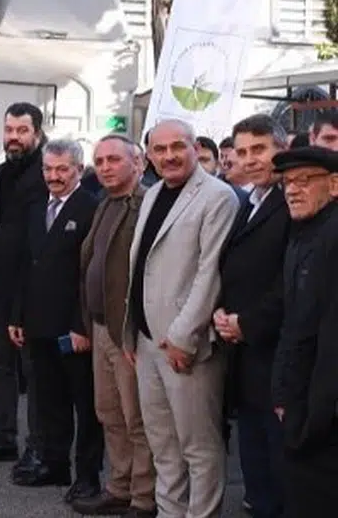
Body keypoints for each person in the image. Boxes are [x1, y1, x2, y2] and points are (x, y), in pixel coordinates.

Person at [124, 119, 239, 518]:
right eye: (160, 149)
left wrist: (183, 337)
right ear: (149, 155)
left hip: (186, 345)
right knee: (163, 446)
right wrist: (132, 333)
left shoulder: (218, 197)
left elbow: (210, 273)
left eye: (178, 147)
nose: (169, 156)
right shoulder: (154, 193)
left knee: (199, 448)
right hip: (147, 341)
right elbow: (141, 266)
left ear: (195, 148)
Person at [8, 140, 102, 501]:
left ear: (78, 169)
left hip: (72, 328)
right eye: (48, 169)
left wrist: (81, 325)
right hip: (37, 323)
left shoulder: (90, 208)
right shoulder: (36, 209)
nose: (54, 176)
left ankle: (87, 475)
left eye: (62, 169)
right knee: (49, 400)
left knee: (84, 405)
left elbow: (88, 275)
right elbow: (24, 265)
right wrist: (17, 316)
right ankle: (54, 464)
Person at [72, 135, 157, 518]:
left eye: (114, 160)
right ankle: (119, 487)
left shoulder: (146, 204)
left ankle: (144, 496)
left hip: (128, 331)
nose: (105, 167)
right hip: (100, 326)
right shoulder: (105, 204)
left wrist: (133, 331)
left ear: (138, 163)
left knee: (136, 417)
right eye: (100, 160)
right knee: (109, 412)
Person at [213, 115, 290, 518]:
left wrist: (246, 323)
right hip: (242, 351)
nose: (250, 159)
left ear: (282, 149)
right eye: (242, 152)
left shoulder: (292, 202)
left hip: (276, 350)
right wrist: (221, 312)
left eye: (259, 149)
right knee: (254, 455)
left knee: (279, 463)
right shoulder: (248, 202)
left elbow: (290, 280)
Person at [0, 102, 46, 474]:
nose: (14, 137)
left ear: (37, 132)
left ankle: (38, 447)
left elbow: (35, 243)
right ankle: (4, 437)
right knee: (0, 366)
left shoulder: (45, 173)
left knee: (34, 374)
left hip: (31, 291)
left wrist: (21, 302)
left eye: (22, 130)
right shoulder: (1, 173)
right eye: (9, 130)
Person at [270, 146, 338, 517]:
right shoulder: (303, 234)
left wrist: (316, 412)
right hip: (301, 402)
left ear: (335, 184)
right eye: (287, 183)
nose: (293, 190)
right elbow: (294, 322)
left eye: (304, 180)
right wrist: (284, 391)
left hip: (322, 412)